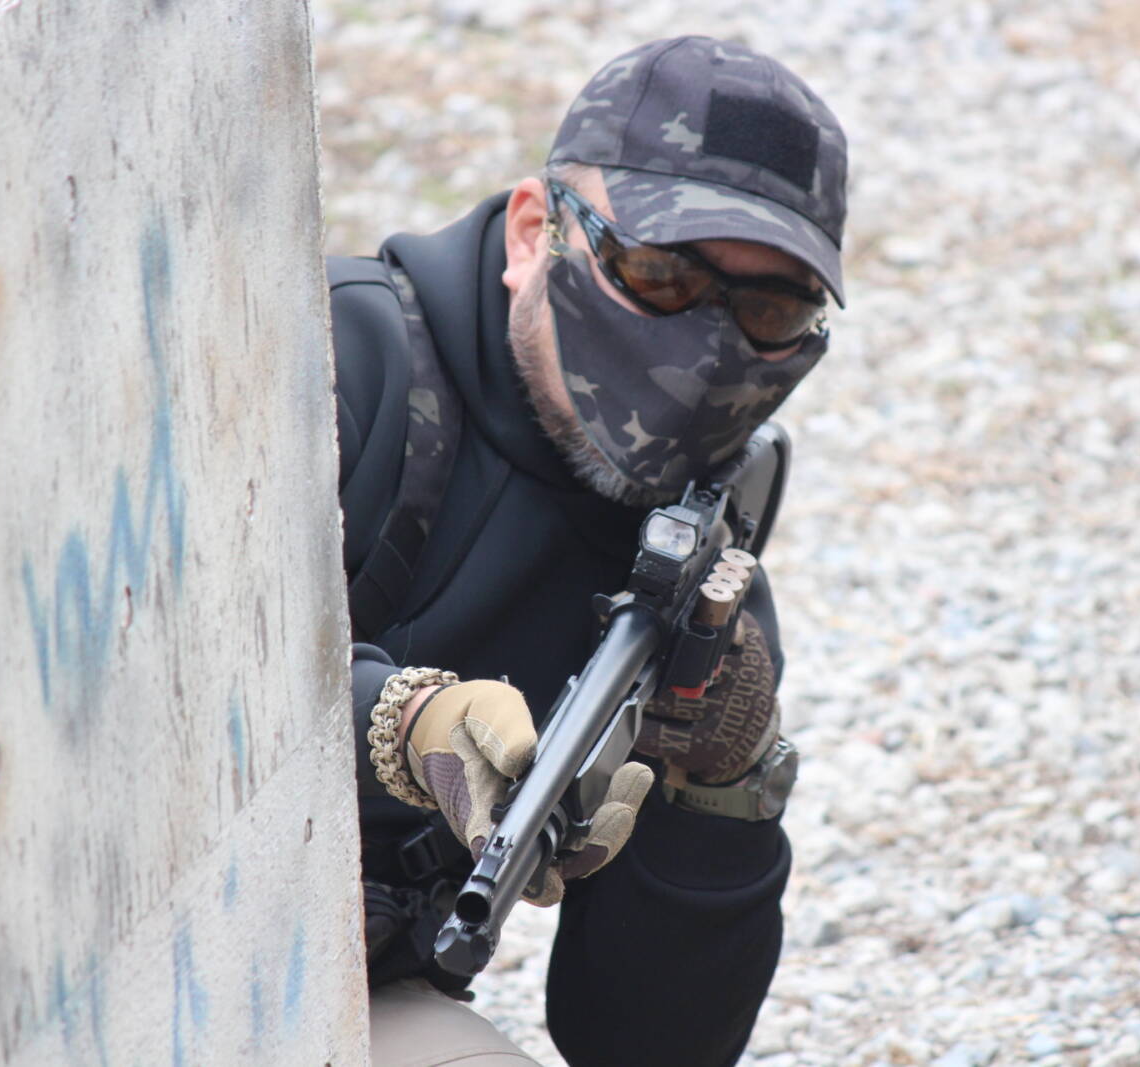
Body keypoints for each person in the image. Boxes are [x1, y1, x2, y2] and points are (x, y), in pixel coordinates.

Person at [331, 35, 848, 1067]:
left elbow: (645, 1043)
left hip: (344, 991)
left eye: (768, 308)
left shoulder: (696, 571)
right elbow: (134, 688)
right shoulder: (334, 367)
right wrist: (399, 723)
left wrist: (723, 791)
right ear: (535, 231)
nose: (706, 345)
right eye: (656, 273)